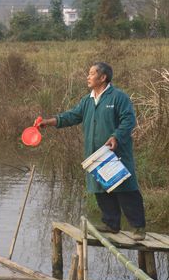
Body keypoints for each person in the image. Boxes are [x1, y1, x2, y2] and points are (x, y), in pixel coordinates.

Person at [40, 62, 146, 240]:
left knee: (124, 188)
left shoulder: (118, 97)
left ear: (102, 77)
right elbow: (72, 116)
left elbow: (128, 120)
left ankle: (138, 228)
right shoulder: (87, 100)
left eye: (91, 73)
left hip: (115, 152)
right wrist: (49, 121)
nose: (87, 77)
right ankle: (111, 224)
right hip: (95, 153)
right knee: (100, 187)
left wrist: (116, 136)